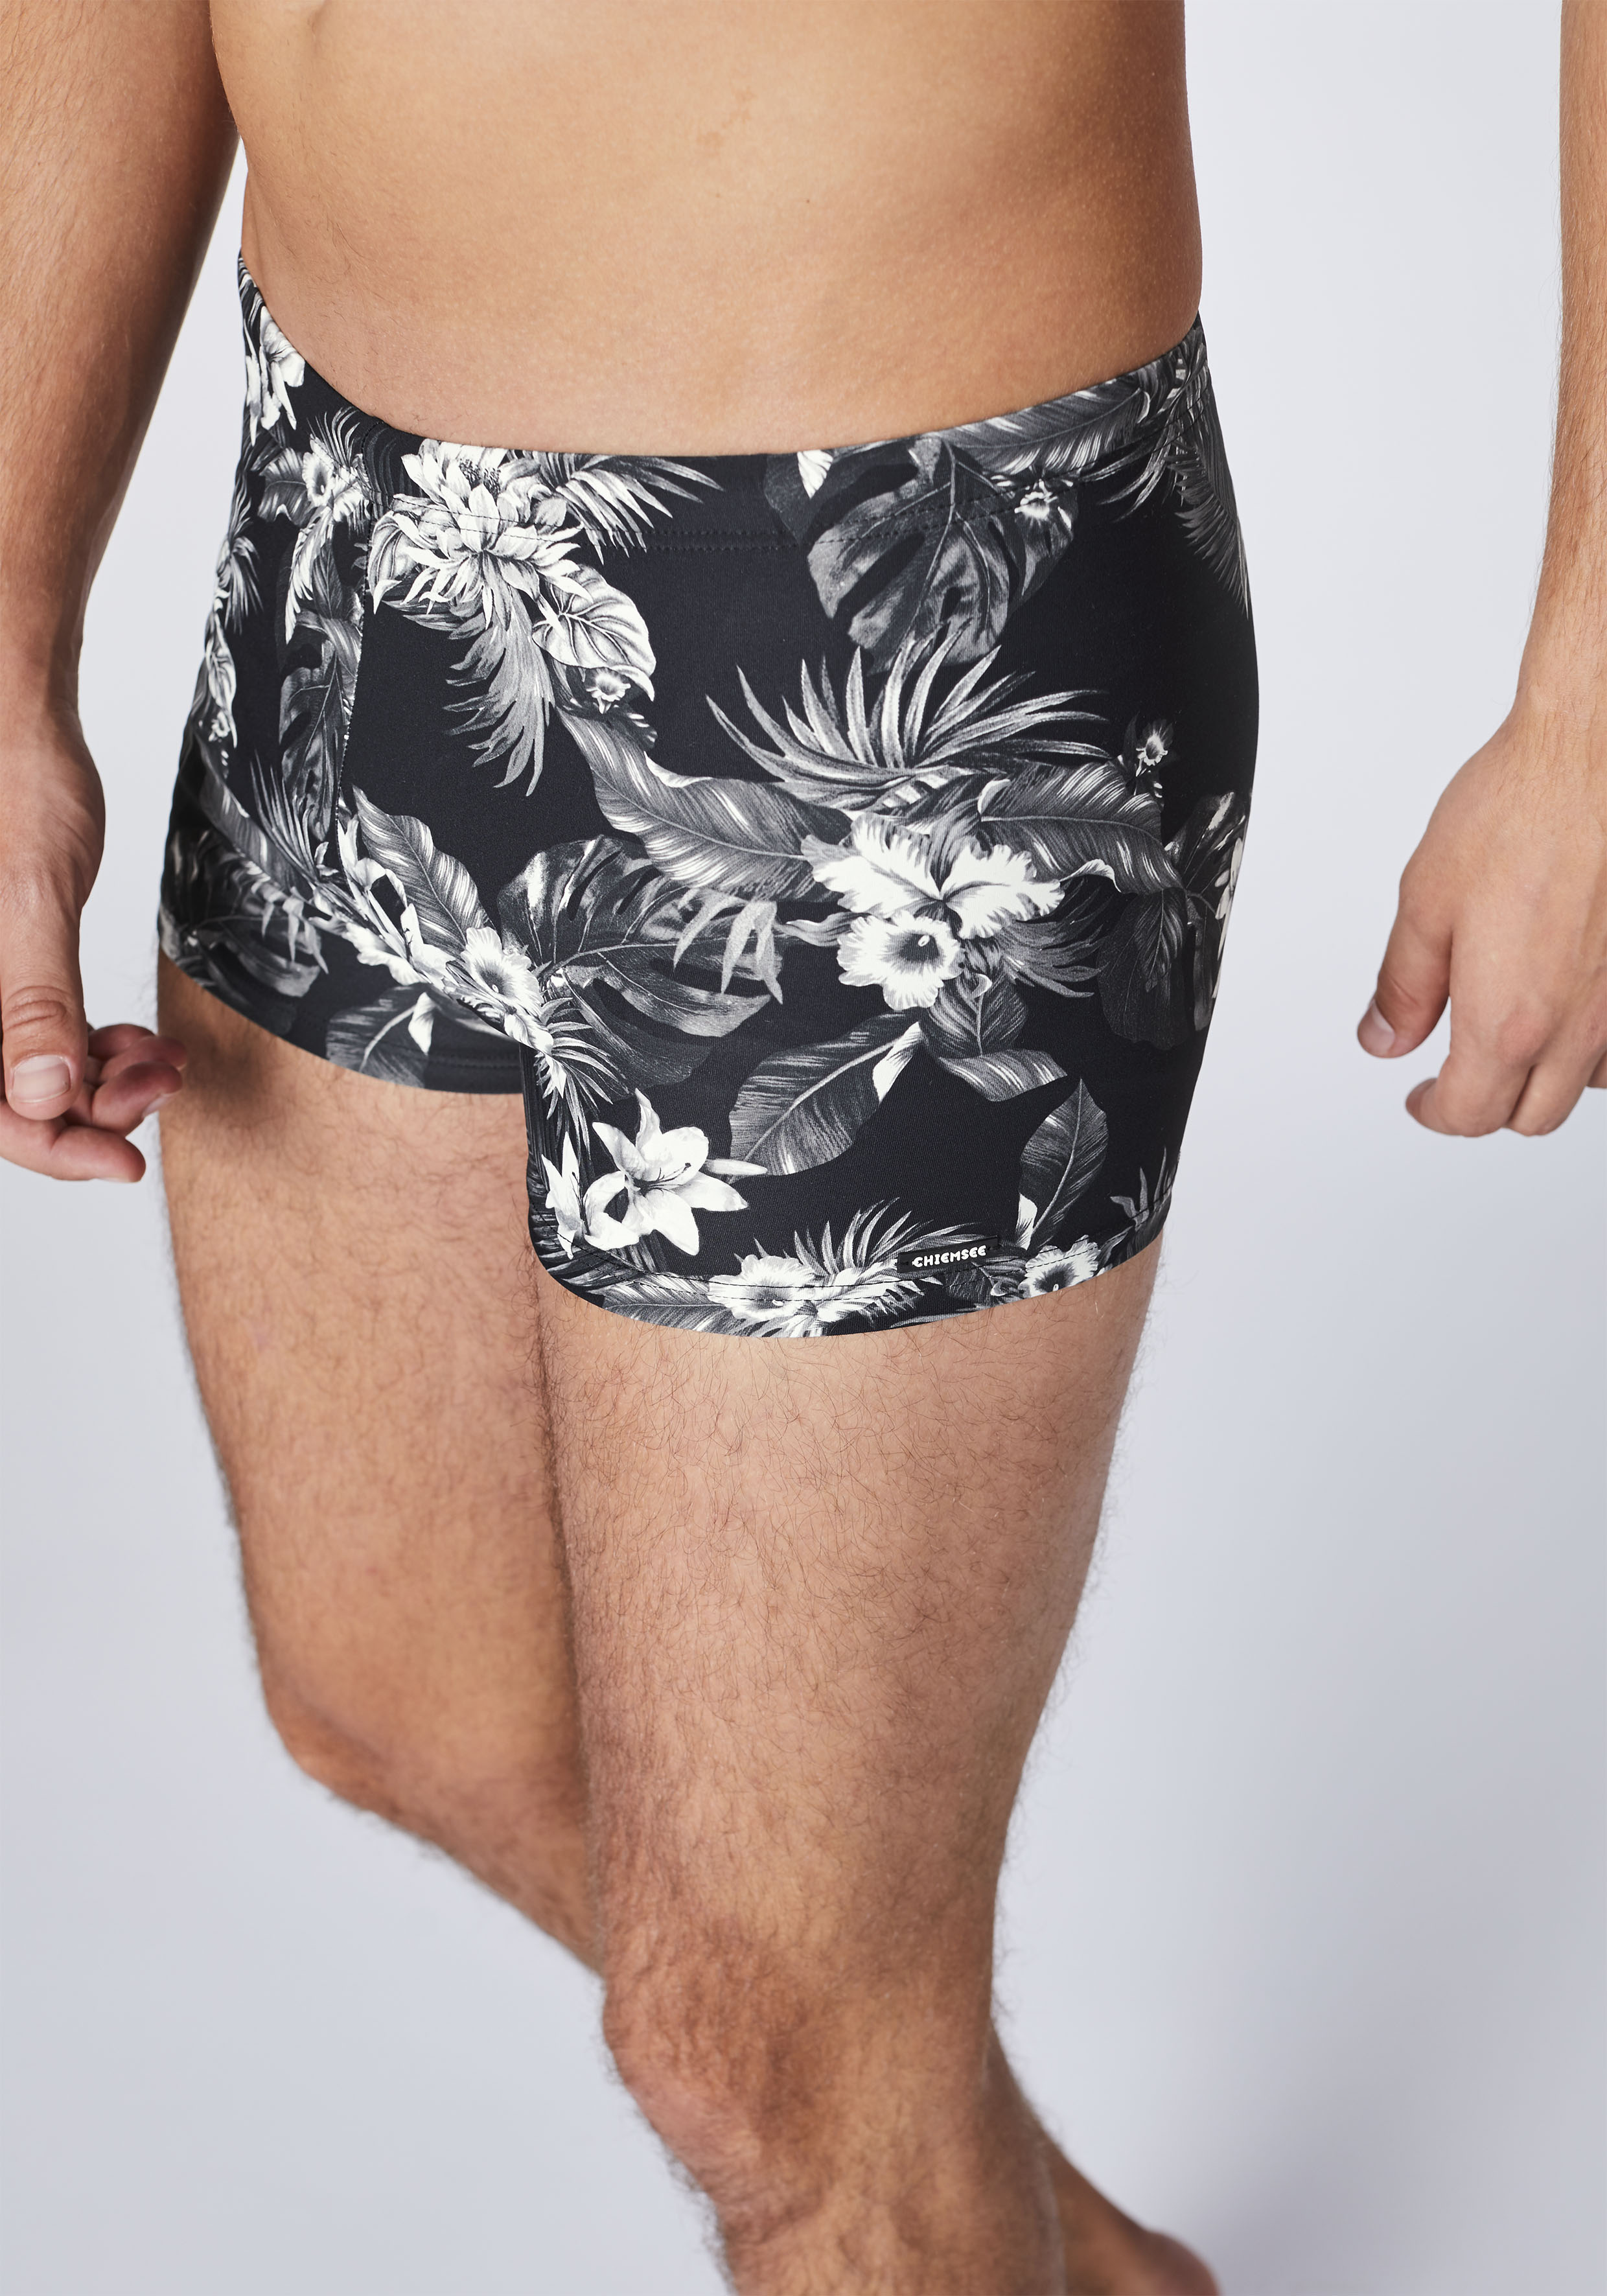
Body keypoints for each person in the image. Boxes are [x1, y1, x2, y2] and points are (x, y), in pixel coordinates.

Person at [1, 5, 1602, 2290]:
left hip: (897, 639)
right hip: (347, 560)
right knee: (401, 1709)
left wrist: (1594, 704)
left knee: (757, 2055)